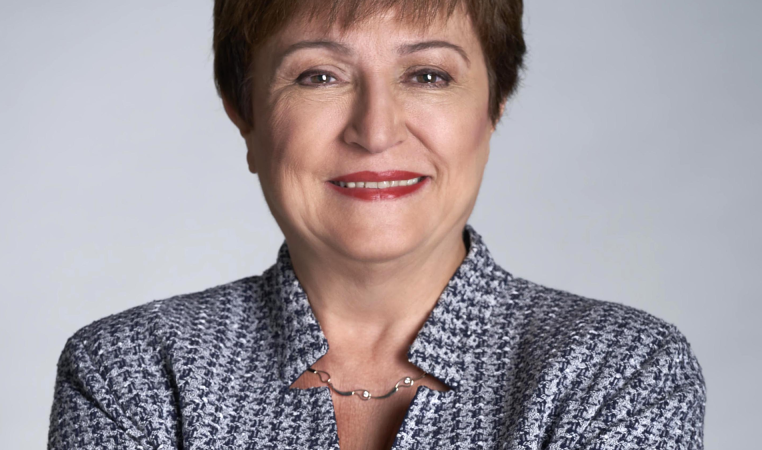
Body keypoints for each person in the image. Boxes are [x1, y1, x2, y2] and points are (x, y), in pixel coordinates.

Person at [47, 1, 706, 449]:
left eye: (428, 75)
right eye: (319, 76)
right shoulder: (133, 371)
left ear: (495, 107)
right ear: (243, 114)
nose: (376, 129)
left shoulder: (620, 372)